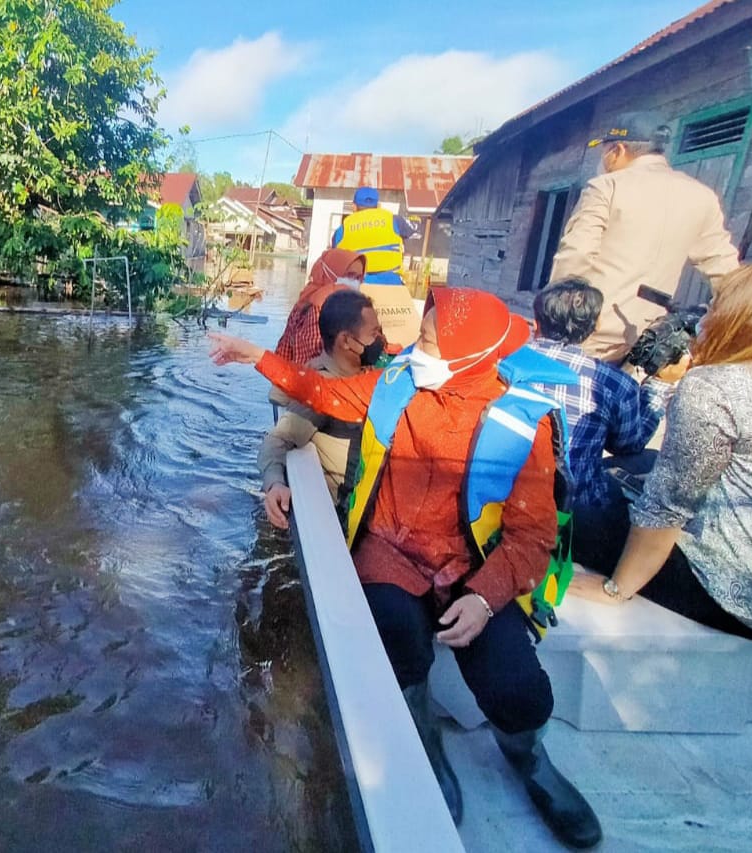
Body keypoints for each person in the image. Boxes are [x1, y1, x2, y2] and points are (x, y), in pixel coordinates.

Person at [209, 289, 602, 848]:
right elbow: (324, 391)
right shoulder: (398, 385)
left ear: (469, 358)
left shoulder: (522, 424)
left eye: (428, 341)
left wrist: (487, 596)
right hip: (392, 551)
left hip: (475, 567)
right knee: (391, 629)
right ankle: (423, 736)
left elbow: (533, 536)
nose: (413, 348)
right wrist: (257, 356)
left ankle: (530, 758)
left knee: (517, 686)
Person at [570, 263, 752, 652]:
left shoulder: (713, 387)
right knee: (639, 464)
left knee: (575, 510)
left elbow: (665, 508)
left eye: (715, 306)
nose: (704, 316)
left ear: (741, 319)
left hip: (749, 599)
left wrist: (615, 588)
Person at [550, 113, 739, 362]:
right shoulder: (702, 197)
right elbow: (725, 272)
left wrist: (554, 318)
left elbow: (576, 255)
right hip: (651, 340)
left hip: (590, 333)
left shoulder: (607, 187)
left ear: (617, 150)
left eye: (604, 151)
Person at [529, 279, 686, 573]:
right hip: (575, 512)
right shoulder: (614, 383)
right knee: (645, 467)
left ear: (536, 320)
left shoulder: (503, 360)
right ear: (595, 325)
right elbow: (629, 443)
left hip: (508, 493)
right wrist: (659, 387)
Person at [258, 290, 382, 529]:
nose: (381, 341)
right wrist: (274, 484)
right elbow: (276, 440)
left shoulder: (364, 376)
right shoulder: (322, 392)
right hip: (346, 511)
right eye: (374, 334)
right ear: (346, 341)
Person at [274, 248, 365, 365]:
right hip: (314, 379)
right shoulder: (322, 307)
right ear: (331, 272)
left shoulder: (305, 300)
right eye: (349, 275)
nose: (354, 282)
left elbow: (282, 353)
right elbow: (316, 358)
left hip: (296, 377)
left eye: (358, 277)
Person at [332, 187, 419, 285]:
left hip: (357, 286)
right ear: (378, 205)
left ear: (354, 206)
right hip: (391, 284)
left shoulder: (342, 229)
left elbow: (334, 259)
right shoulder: (394, 220)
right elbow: (414, 230)